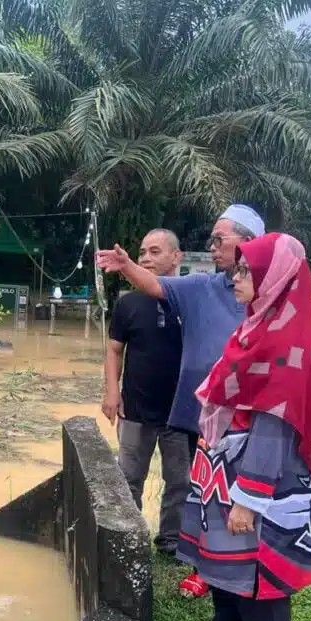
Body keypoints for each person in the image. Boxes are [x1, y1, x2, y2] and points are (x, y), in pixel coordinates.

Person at [178, 232, 311, 621]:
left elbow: (273, 425)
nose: (235, 277)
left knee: (260, 578)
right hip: (227, 467)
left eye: (246, 271)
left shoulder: (289, 341)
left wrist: (249, 496)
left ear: (274, 277)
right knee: (224, 566)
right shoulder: (257, 325)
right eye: (236, 269)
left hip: (261, 479)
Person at [96, 204, 265, 597]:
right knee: (205, 485)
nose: (213, 246)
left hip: (248, 415)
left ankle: (221, 563)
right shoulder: (201, 289)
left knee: (223, 487)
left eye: (220, 239)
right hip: (198, 415)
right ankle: (206, 563)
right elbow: (152, 292)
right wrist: (124, 266)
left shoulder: (271, 294)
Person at [103, 229, 187, 555]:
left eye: (154, 252)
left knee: (180, 481)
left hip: (180, 413)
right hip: (135, 409)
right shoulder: (128, 304)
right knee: (128, 480)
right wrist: (112, 392)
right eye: (142, 252)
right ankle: (130, 540)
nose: (145, 258)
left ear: (176, 257)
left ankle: (171, 541)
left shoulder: (190, 301)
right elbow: (113, 351)